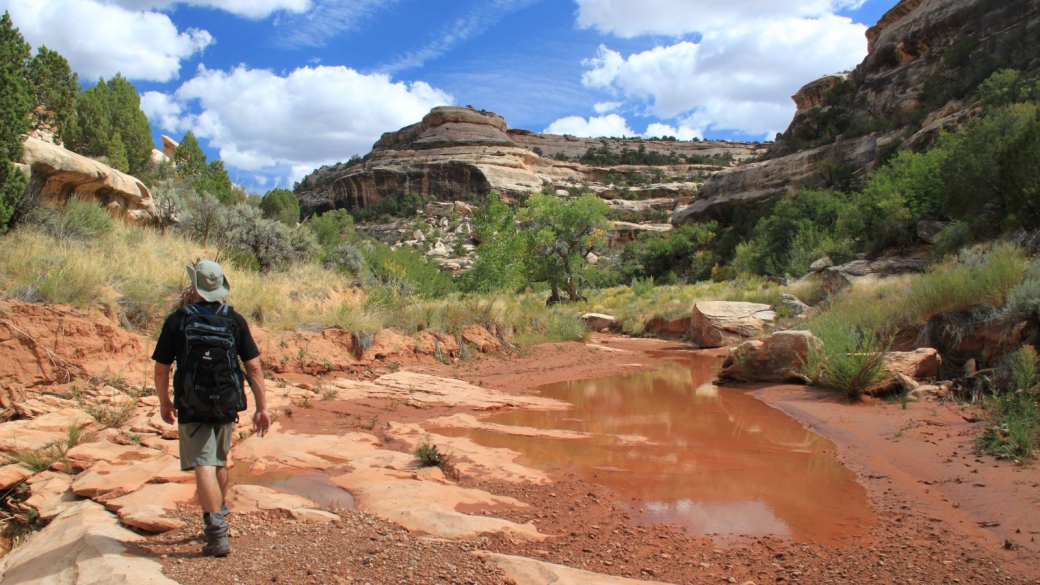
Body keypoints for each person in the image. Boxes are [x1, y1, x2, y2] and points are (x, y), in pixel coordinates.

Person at [152, 260, 271, 557]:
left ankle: (216, 531)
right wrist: (262, 408)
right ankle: (220, 511)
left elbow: (161, 369)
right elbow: (254, 368)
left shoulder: (178, 319)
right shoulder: (234, 320)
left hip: (191, 402)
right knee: (218, 458)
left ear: (195, 286)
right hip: (226, 399)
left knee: (203, 462)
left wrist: (165, 401)